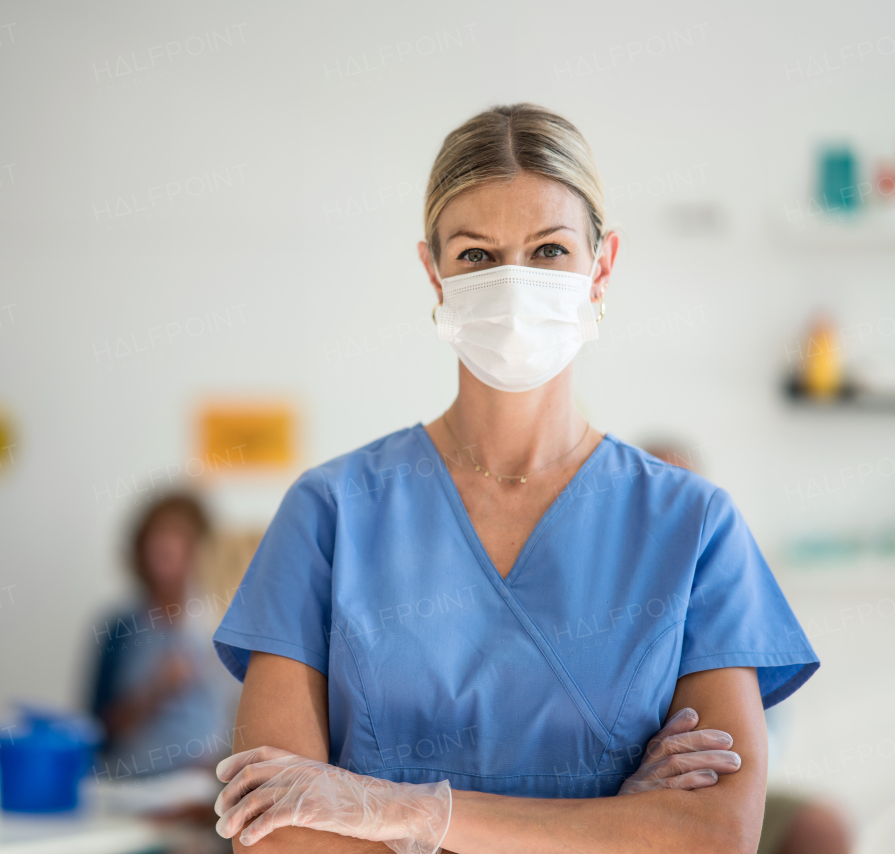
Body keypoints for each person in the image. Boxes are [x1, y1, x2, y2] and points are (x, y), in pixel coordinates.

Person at [209, 104, 821, 854]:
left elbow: (714, 836)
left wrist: (400, 811)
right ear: (432, 271)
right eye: (476, 255)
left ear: (603, 264)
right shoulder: (332, 513)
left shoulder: (691, 528)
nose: (513, 285)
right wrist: (611, 831)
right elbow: (275, 839)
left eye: (549, 250)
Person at [643, 441, 852, 854]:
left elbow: (766, 734)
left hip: (720, 780)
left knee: (819, 828)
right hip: (632, 782)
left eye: (682, 492)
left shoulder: (724, 568)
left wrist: (723, 759)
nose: (667, 509)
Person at [88, 494, 234, 785]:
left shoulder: (224, 625)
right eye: (158, 543)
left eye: (180, 542)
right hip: (130, 784)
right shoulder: (121, 628)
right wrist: (156, 689)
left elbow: (245, 718)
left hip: (204, 791)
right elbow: (94, 730)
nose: (166, 554)